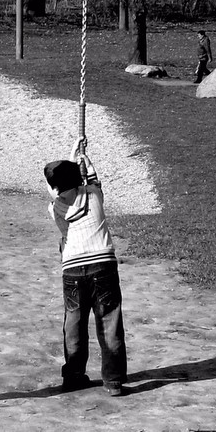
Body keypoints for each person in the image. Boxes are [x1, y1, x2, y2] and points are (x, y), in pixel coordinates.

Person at [44, 137, 128, 397]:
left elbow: (58, 189)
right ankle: (113, 381)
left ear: (56, 187)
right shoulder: (94, 196)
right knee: (110, 321)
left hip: (72, 270)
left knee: (74, 322)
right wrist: (84, 158)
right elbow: (92, 181)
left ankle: (73, 375)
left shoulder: (55, 208)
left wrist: (72, 155)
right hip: (103, 265)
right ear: (79, 179)